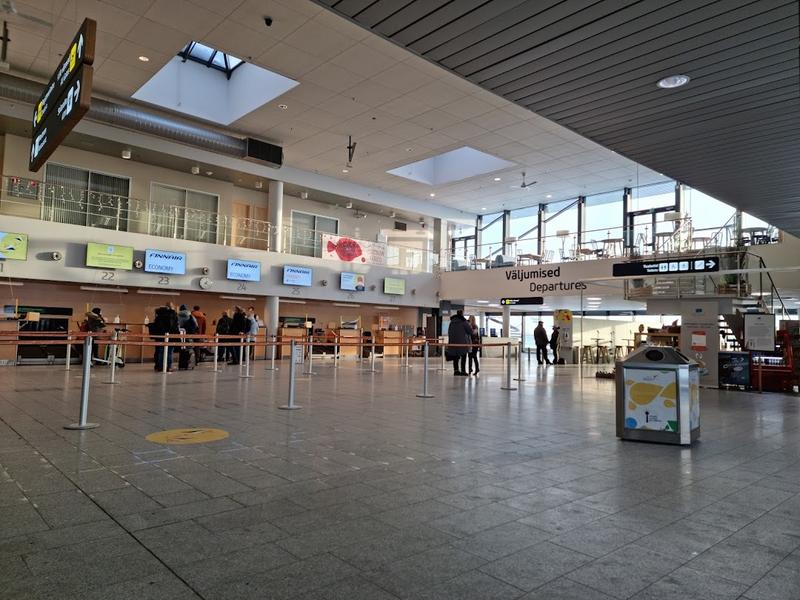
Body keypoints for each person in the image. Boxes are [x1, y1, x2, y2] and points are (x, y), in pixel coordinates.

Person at [152, 302, 179, 371]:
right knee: (169, 352)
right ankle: (169, 367)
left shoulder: (159, 314)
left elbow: (156, 324)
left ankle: (160, 366)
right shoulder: (173, 315)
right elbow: (175, 326)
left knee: (161, 351)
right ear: (172, 307)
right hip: (170, 335)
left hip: (160, 335)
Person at [447, 309, 472, 376]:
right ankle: (463, 371)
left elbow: (449, 332)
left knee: (455, 357)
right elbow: (470, 331)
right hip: (462, 342)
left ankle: (456, 370)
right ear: (462, 314)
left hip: (453, 342)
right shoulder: (464, 321)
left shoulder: (451, 322)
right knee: (463, 356)